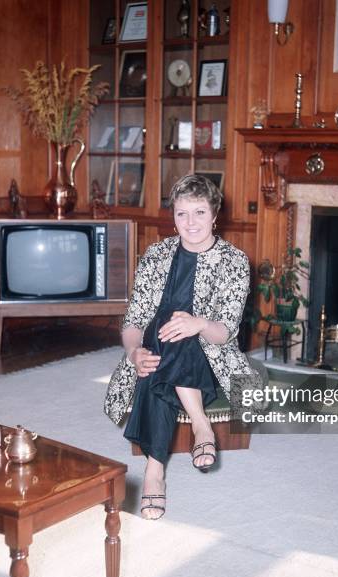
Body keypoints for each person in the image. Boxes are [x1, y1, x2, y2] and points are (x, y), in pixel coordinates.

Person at [104, 174, 259, 520]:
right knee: (159, 338)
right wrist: (133, 353)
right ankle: (199, 426)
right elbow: (133, 321)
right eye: (181, 214)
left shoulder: (234, 262)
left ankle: (153, 475)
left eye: (199, 213)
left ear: (214, 214)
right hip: (157, 351)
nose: (190, 223)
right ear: (173, 215)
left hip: (211, 357)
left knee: (178, 328)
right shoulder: (156, 256)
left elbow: (226, 333)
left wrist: (199, 323)